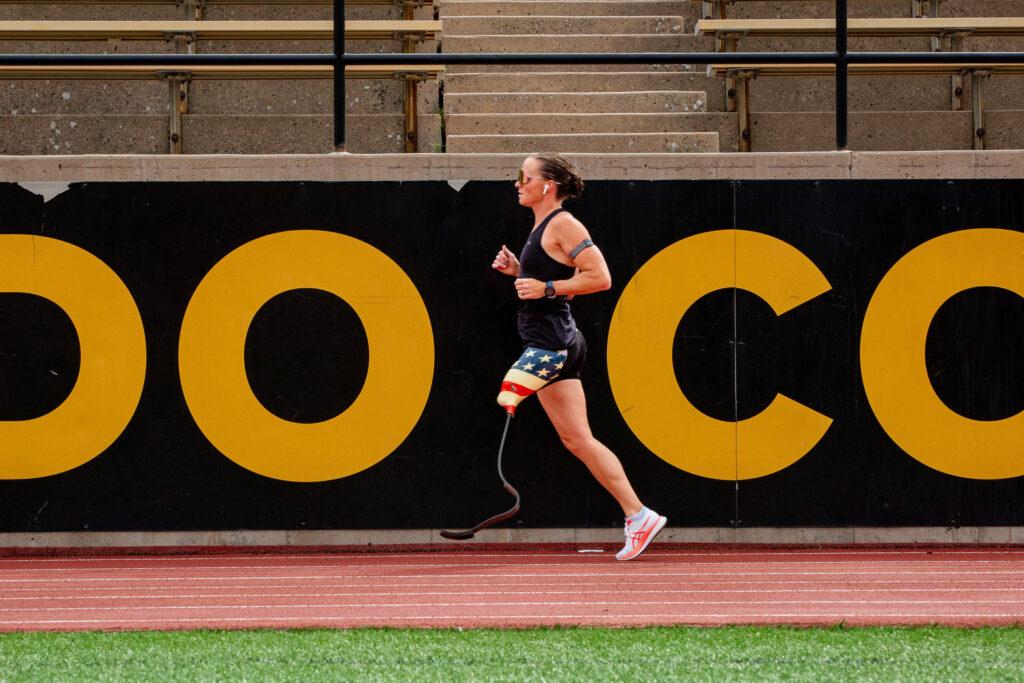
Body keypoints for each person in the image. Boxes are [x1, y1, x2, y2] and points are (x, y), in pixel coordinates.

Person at [491, 152, 667, 561]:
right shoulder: (542, 225)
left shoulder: (564, 223)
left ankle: (638, 514)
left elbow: (600, 277)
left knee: (509, 395)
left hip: (552, 343)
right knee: (577, 439)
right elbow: (551, 280)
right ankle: (638, 515)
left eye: (524, 176)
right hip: (554, 339)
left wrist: (545, 288)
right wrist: (520, 274)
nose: (517, 183)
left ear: (547, 186)